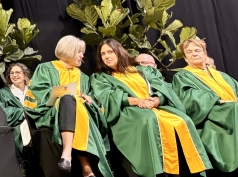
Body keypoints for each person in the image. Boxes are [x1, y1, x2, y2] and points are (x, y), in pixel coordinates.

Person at [91, 39, 211, 177]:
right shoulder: (101, 77)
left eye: (110, 52)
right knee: (148, 119)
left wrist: (157, 99)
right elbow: (109, 96)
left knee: (183, 120)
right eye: (103, 54)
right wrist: (138, 101)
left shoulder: (142, 70)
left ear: (119, 52)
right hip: (127, 112)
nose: (106, 56)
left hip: (155, 107)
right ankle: (157, 172)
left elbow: (163, 87)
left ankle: (192, 170)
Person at [24, 36, 111, 177]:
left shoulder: (83, 77)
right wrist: (64, 93)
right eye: (79, 52)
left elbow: (93, 100)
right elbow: (38, 95)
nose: (82, 56)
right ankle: (84, 166)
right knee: (67, 98)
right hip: (52, 113)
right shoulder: (46, 69)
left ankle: (69, 159)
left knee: (77, 104)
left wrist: (89, 99)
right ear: (69, 51)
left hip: (79, 113)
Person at [173, 38, 238, 174]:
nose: (194, 54)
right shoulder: (182, 76)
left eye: (197, 50)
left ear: (204, 53)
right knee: (234, 108)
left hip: (230, 111)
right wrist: (217, 101)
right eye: (189, 52)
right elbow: (187, 98)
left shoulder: (222, 75)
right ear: (185, 58)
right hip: (209, 117)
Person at [0, 63, 32, 154]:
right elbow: (0, 113)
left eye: (18, 72)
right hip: (15, 132)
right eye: (11, 73)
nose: (14, 75)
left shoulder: (33, 91)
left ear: (25, 75)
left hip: (34, 132)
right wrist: (22, 112)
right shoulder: (3, 93)